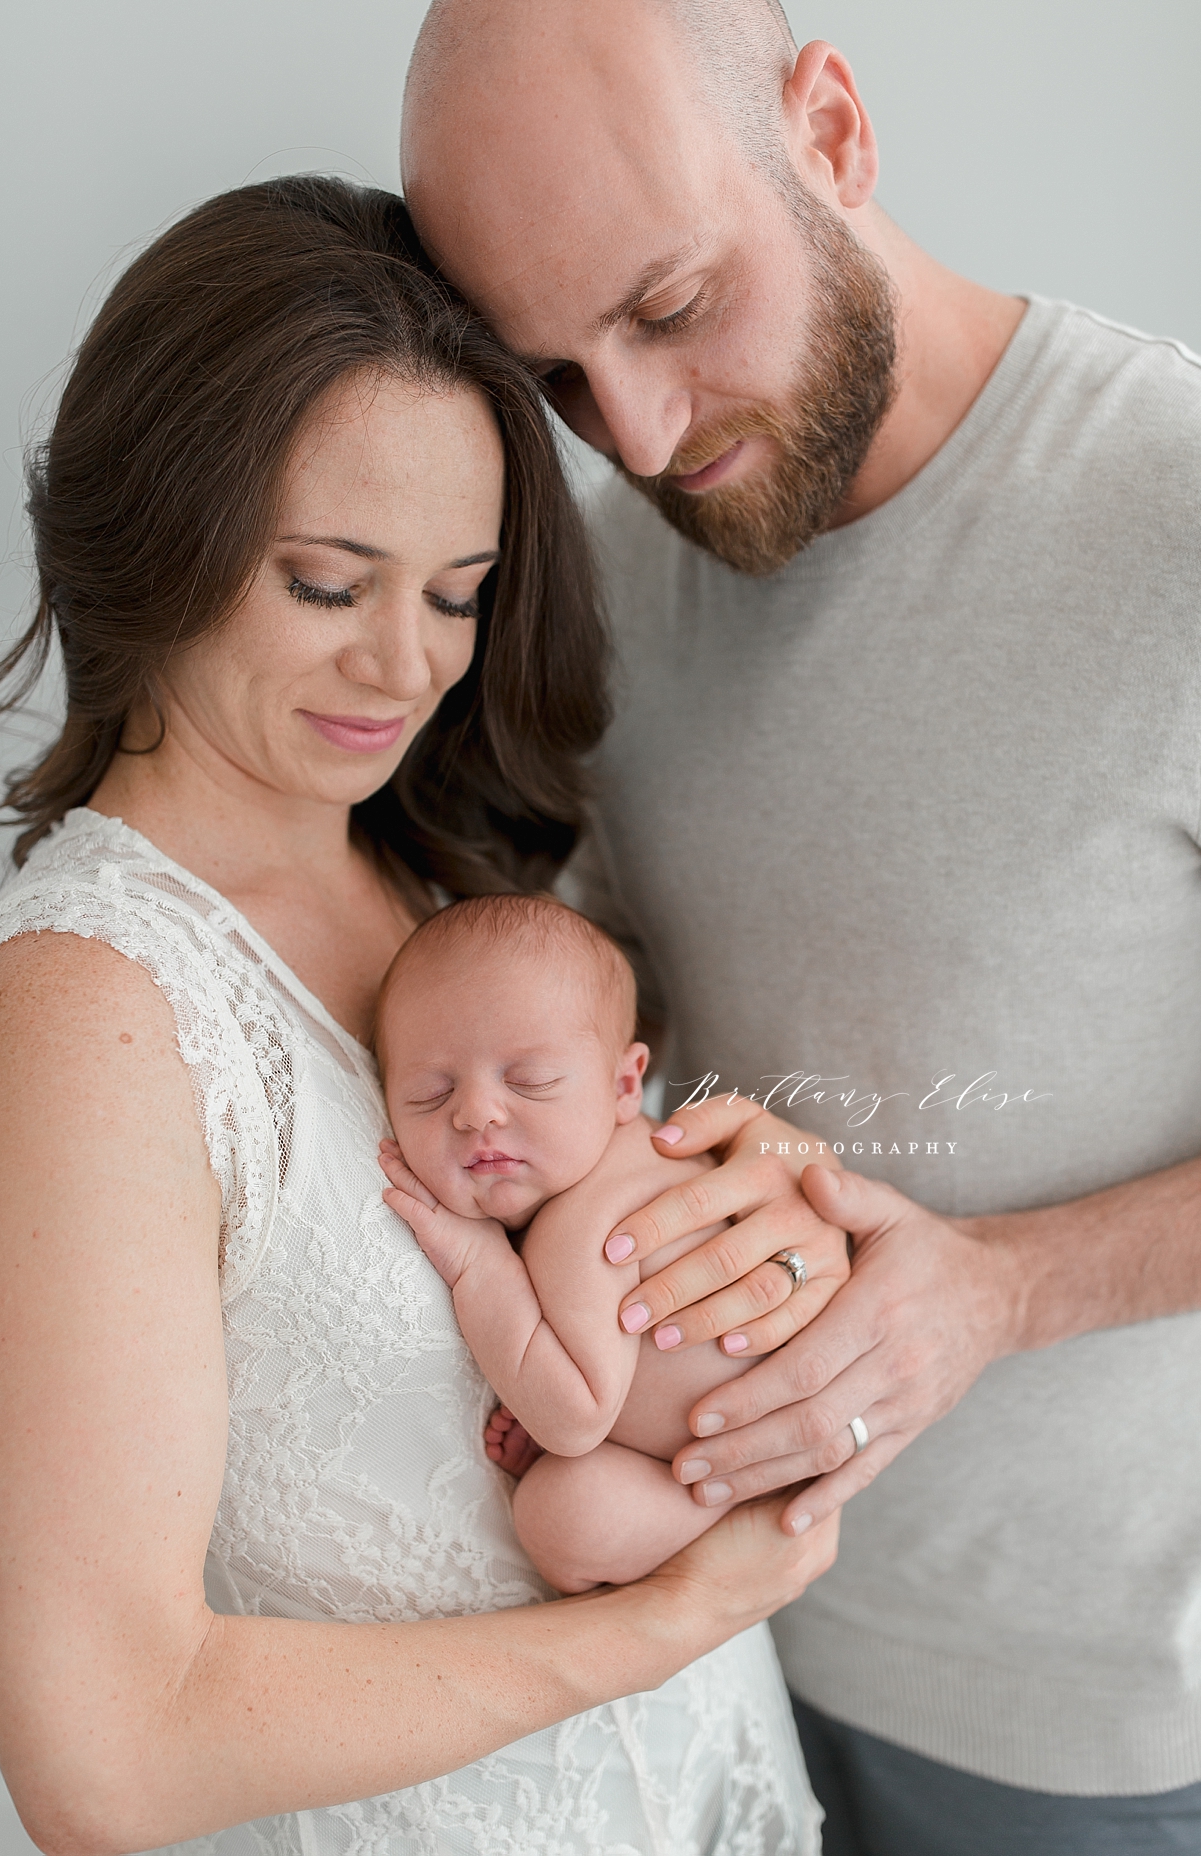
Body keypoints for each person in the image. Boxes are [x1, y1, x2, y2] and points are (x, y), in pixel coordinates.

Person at [400, 3, 1201, 1852]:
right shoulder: (599, 573)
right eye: (559, 375)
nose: (640, 432)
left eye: (668, 308)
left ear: (828, 129)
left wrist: (1000, 1286)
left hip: (1100, 1726)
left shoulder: (1170, 514)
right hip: (713, 1657)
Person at [0, 175, 844, 1856]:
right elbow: (102, 1755)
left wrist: (760, 1249)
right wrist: (651, 1626)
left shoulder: (451, 891)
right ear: (155, 530)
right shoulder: (87, 1013)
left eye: (454, 593)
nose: (403, 667)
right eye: (324, 581)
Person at [376, 891, 846, 1593]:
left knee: (564, 1519)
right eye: (429, 1093)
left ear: (625, 1083)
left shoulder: (588, 1221)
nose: (475, 1113)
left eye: (529, 1082)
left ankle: (732, 1530)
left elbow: (572, 1419)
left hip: (754, 1460)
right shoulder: (632, 1152)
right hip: (776, 1414)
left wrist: (478, 1263)